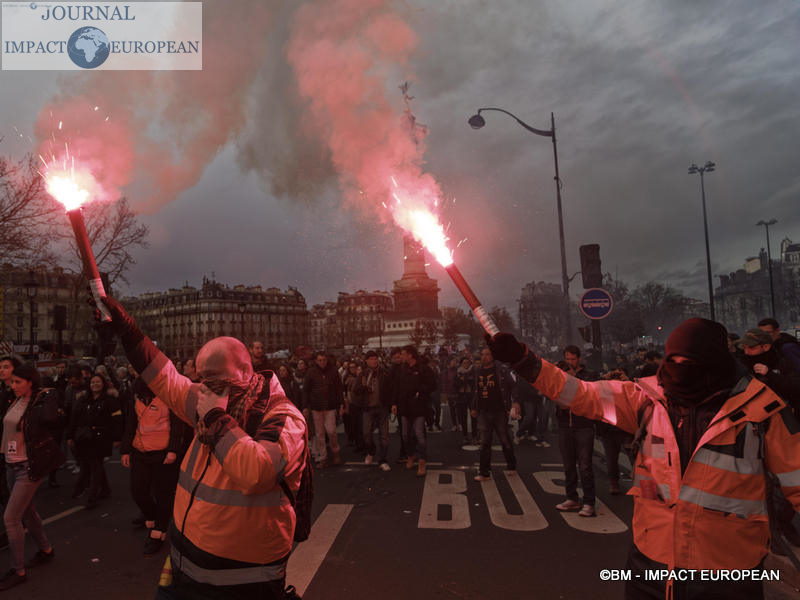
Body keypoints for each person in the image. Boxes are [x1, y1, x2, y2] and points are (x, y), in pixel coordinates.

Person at [487, 318, 800, 600]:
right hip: (649, 568)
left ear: (716, 362)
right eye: (673, 360)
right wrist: (522, 359)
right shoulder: (647, 400)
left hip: (727, 577)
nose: (679, 369)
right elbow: (578, 394)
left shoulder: (764, 412)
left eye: (689, 362)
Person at [98, 296, 308, 599]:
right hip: (183, 569)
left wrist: (215, 418)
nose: (205, 386)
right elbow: (165, 379)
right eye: (202, 377)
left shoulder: (282, 416)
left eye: (215, 378)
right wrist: (128, 330)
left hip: (242, 583)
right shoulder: (210, 399)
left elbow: (258, 472)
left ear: (245, 371)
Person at [0, 364, 64, 591]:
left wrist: (48, 394)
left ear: (31, 382)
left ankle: (18, 570)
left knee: (11, 518)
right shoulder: (14, 400)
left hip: (28, 466)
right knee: (27, 512)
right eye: (12, 381)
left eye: (18, 382)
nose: (13, 385)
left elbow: (49, 419)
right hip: (10, 464)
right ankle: (46, 550)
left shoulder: (40, 402)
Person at [738, 328, 800, 550]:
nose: (746, 351)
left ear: (765, 347)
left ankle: (782, 526)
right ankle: (771, 532)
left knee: (785, 482)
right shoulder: (740, 367)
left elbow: (795, 387)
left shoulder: (782, 362)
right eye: (745, 346)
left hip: (784, 430)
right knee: (760, 484)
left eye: (751, 347)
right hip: (752, 431)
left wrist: (771, 376)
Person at [554, 345, 598, 517]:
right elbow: (556, 397)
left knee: (585, 465)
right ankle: (572, 497)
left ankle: (589, 502)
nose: (570, 362)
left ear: (579, 359)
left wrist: (574, 379)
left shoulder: (589, 375)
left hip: (583, 425)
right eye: (567, 359)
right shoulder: (561, 376)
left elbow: (590, 395)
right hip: (565, 424)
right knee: (568, 465)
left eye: (573, 359)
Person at [67, 374, 119, 509]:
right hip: (85, 438)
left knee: (94, 465)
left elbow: (117, 420)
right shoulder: (83, 400)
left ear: (103, 384)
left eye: (98, 382)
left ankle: (92, 496)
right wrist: (70, 436)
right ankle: (105, 489)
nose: (95, 385)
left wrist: (117, 438)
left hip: (101, 437)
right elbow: (74, 418)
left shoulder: (109, 400)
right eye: (92, 382)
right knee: (94, 464)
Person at [471, 347, 517, 482]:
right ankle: (484, 472)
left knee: (504, 439)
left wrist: (515, 402)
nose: (484, 357)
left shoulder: (501, 370)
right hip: (483, 411)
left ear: (493, 356)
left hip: (499, 410)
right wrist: (474, 407)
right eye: (482, 354)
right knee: (485, 442)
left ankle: (511, 464)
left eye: (487, 354)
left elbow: (513, 386)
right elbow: (476, 391)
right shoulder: (478, 371)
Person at [394, 345, 436, 477]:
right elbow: (397, 387)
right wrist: (395, 403)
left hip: (419, 406)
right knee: (405, 435)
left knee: (419, 434)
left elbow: (432, 384)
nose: (401, 356)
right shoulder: (402, 369)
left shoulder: (423, 368)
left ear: (410, 355)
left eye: (403, 354)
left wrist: (419, 391)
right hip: (405, 407)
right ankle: (411, 455)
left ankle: (422, 461)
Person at [303, 351, 343, 469]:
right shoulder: (311, 372)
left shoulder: (333, 371)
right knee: (319, 433)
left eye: (324, 360)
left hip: (330, 405)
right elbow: (306, 390)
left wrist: (341, 404)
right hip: (316, 406)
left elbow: (338, 388)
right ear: (316, 361)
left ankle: (335, 451)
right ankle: (323, 457)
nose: (322, 362)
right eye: (320, 360)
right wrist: (305, 406)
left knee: (331, 431)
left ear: (327, 360)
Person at [353, 351, 392, 471]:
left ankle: (383, 460)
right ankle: (371, 451)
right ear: (367, 361)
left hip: (382, 407)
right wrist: (363, 386)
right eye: (371, 359)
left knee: (384, 436)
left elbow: (390, 388)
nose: (374, 361)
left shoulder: (384, 372)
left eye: (376, 358)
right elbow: (356, 390)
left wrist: (390, 404)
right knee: (366, 434)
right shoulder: (363, 374)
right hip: (368, 408)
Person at [454, 357, 477, 445]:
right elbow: (455, 385)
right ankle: (465, 436)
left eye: (468, 362)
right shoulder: (458, 373)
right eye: (464, 363)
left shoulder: (473, 372)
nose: (466, 364)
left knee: (474, 416)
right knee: (463, 417)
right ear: (461, 364)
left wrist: (466, 379)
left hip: (471, 396)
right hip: (461, 397)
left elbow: (475, 383)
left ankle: (475, 436)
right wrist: (461, 380)